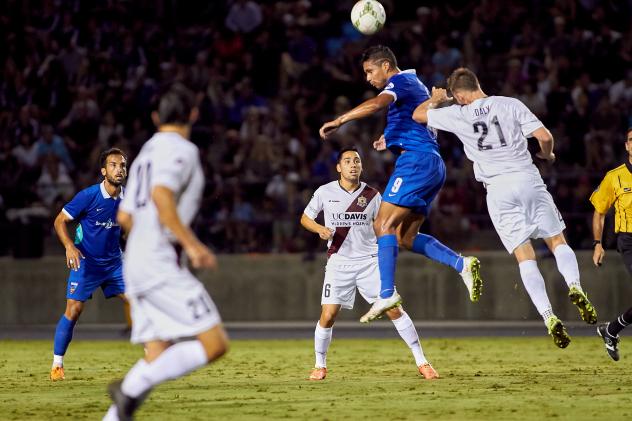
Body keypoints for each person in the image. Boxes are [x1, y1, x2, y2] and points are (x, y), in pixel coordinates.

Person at [412, 67, 597, 348]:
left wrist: (436, 99)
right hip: (526, 177)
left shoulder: (458, 114)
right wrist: (546, 155)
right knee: (557, 240)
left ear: (459, 94)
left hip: (497, 189)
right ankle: (575, 287)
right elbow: (545, 137)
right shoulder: (510, 104)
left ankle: (549, 317)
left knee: (525, 256)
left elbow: (418, 115)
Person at [319, 45, 482, 324]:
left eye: (370, 71)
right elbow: (413, 117)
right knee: (404, 238)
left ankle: (386, 293)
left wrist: (340, 119)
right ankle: (461, 264)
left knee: (382, 225)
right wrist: (390, 137)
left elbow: (377, 104)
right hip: (431, 164)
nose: (368, 78)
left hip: (416, 162)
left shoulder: (400, 81)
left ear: (385, 66)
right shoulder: (413, 84)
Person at [104, 84, 229, 420]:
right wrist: (192, 245)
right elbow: (161, 196)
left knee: (157, 352)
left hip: (135, 260)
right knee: (215, 343)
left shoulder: (145, 152)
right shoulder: (182, 150)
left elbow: (124, 216)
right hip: (159, 262)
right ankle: (128, 390)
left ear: (156, 116)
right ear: (193, 114)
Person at [301, 147, 439, 381]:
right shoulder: (325, 192)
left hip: (370, 262)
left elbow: (386, 224)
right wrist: (319, 229)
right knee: (328, 314)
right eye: (347, 161)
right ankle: (319, 365)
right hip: (339, 263)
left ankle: (422, 362)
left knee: (394, 309)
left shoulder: (374, 195)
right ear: (339, 167)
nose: (353, 164)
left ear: (362, 167)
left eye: (356, 161)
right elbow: (305, 218)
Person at [50, 147, 129, 381]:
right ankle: (57, 364)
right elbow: (59, 221)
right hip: (86, 262)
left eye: (122, 165)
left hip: (115, 263)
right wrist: (69, 246)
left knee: (139, 302)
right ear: (103, 171)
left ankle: (151, 357)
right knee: (73, 310)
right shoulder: (88, 196)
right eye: (114, 165)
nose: (119, 169)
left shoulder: (130, 198)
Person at [590, 127, 632, 361]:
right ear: (626, 146)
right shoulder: (614, 176)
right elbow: (599, 212)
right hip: (629, 240)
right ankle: (611, 330)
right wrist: (598, 243)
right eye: (631, 140)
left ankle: (611, 330)